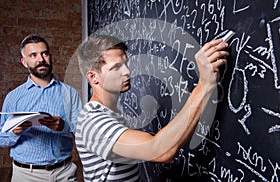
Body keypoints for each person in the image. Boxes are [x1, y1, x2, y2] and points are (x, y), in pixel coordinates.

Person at [75, 35, 229, 181]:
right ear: (93, 77)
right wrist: (204, 85)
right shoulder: (93, 121)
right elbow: (160, 151)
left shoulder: (110, 113)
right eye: (116, 68)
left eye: (125, 64)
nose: (127, 72)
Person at [0, 35, 82, 182]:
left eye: (45, 53)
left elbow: (82, 132)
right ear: (24, 62)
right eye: (33, 55)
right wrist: (14, 132)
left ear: (50, 56)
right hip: (26, 175)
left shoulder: (70, 93)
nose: (41, 59)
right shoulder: (13, 97)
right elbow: (1, 140)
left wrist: (64, 126)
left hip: (64, 172)